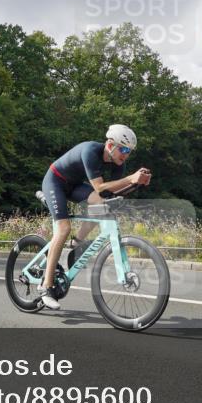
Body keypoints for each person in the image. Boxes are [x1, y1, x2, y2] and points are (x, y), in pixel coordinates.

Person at [37, 124, 151, 310]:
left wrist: (137, 183)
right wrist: (130, 178)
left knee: (102, 206)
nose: (125, 154)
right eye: (123, 149)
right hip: (55, 181)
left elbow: (111, 193)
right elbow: (99, 187)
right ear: (110, 145)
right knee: (63, 228)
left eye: (129, 151)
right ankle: (46, 288)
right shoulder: (90, 150)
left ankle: (75, 244)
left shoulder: (119, 164)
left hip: (74, 185)